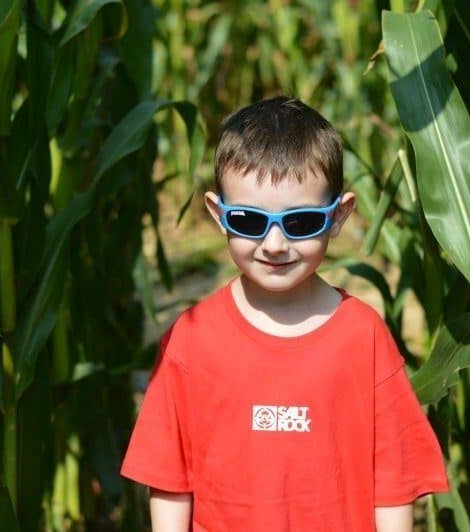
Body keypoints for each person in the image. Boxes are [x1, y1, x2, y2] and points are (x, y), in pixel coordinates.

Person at [120, 96, 449, 531]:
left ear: (339, 215)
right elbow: (169, 479)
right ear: (219, 215)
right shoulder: (192, 338)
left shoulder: (363, 336)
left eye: (300, 223)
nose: (274, 244)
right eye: (250, 221)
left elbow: (393, 483)